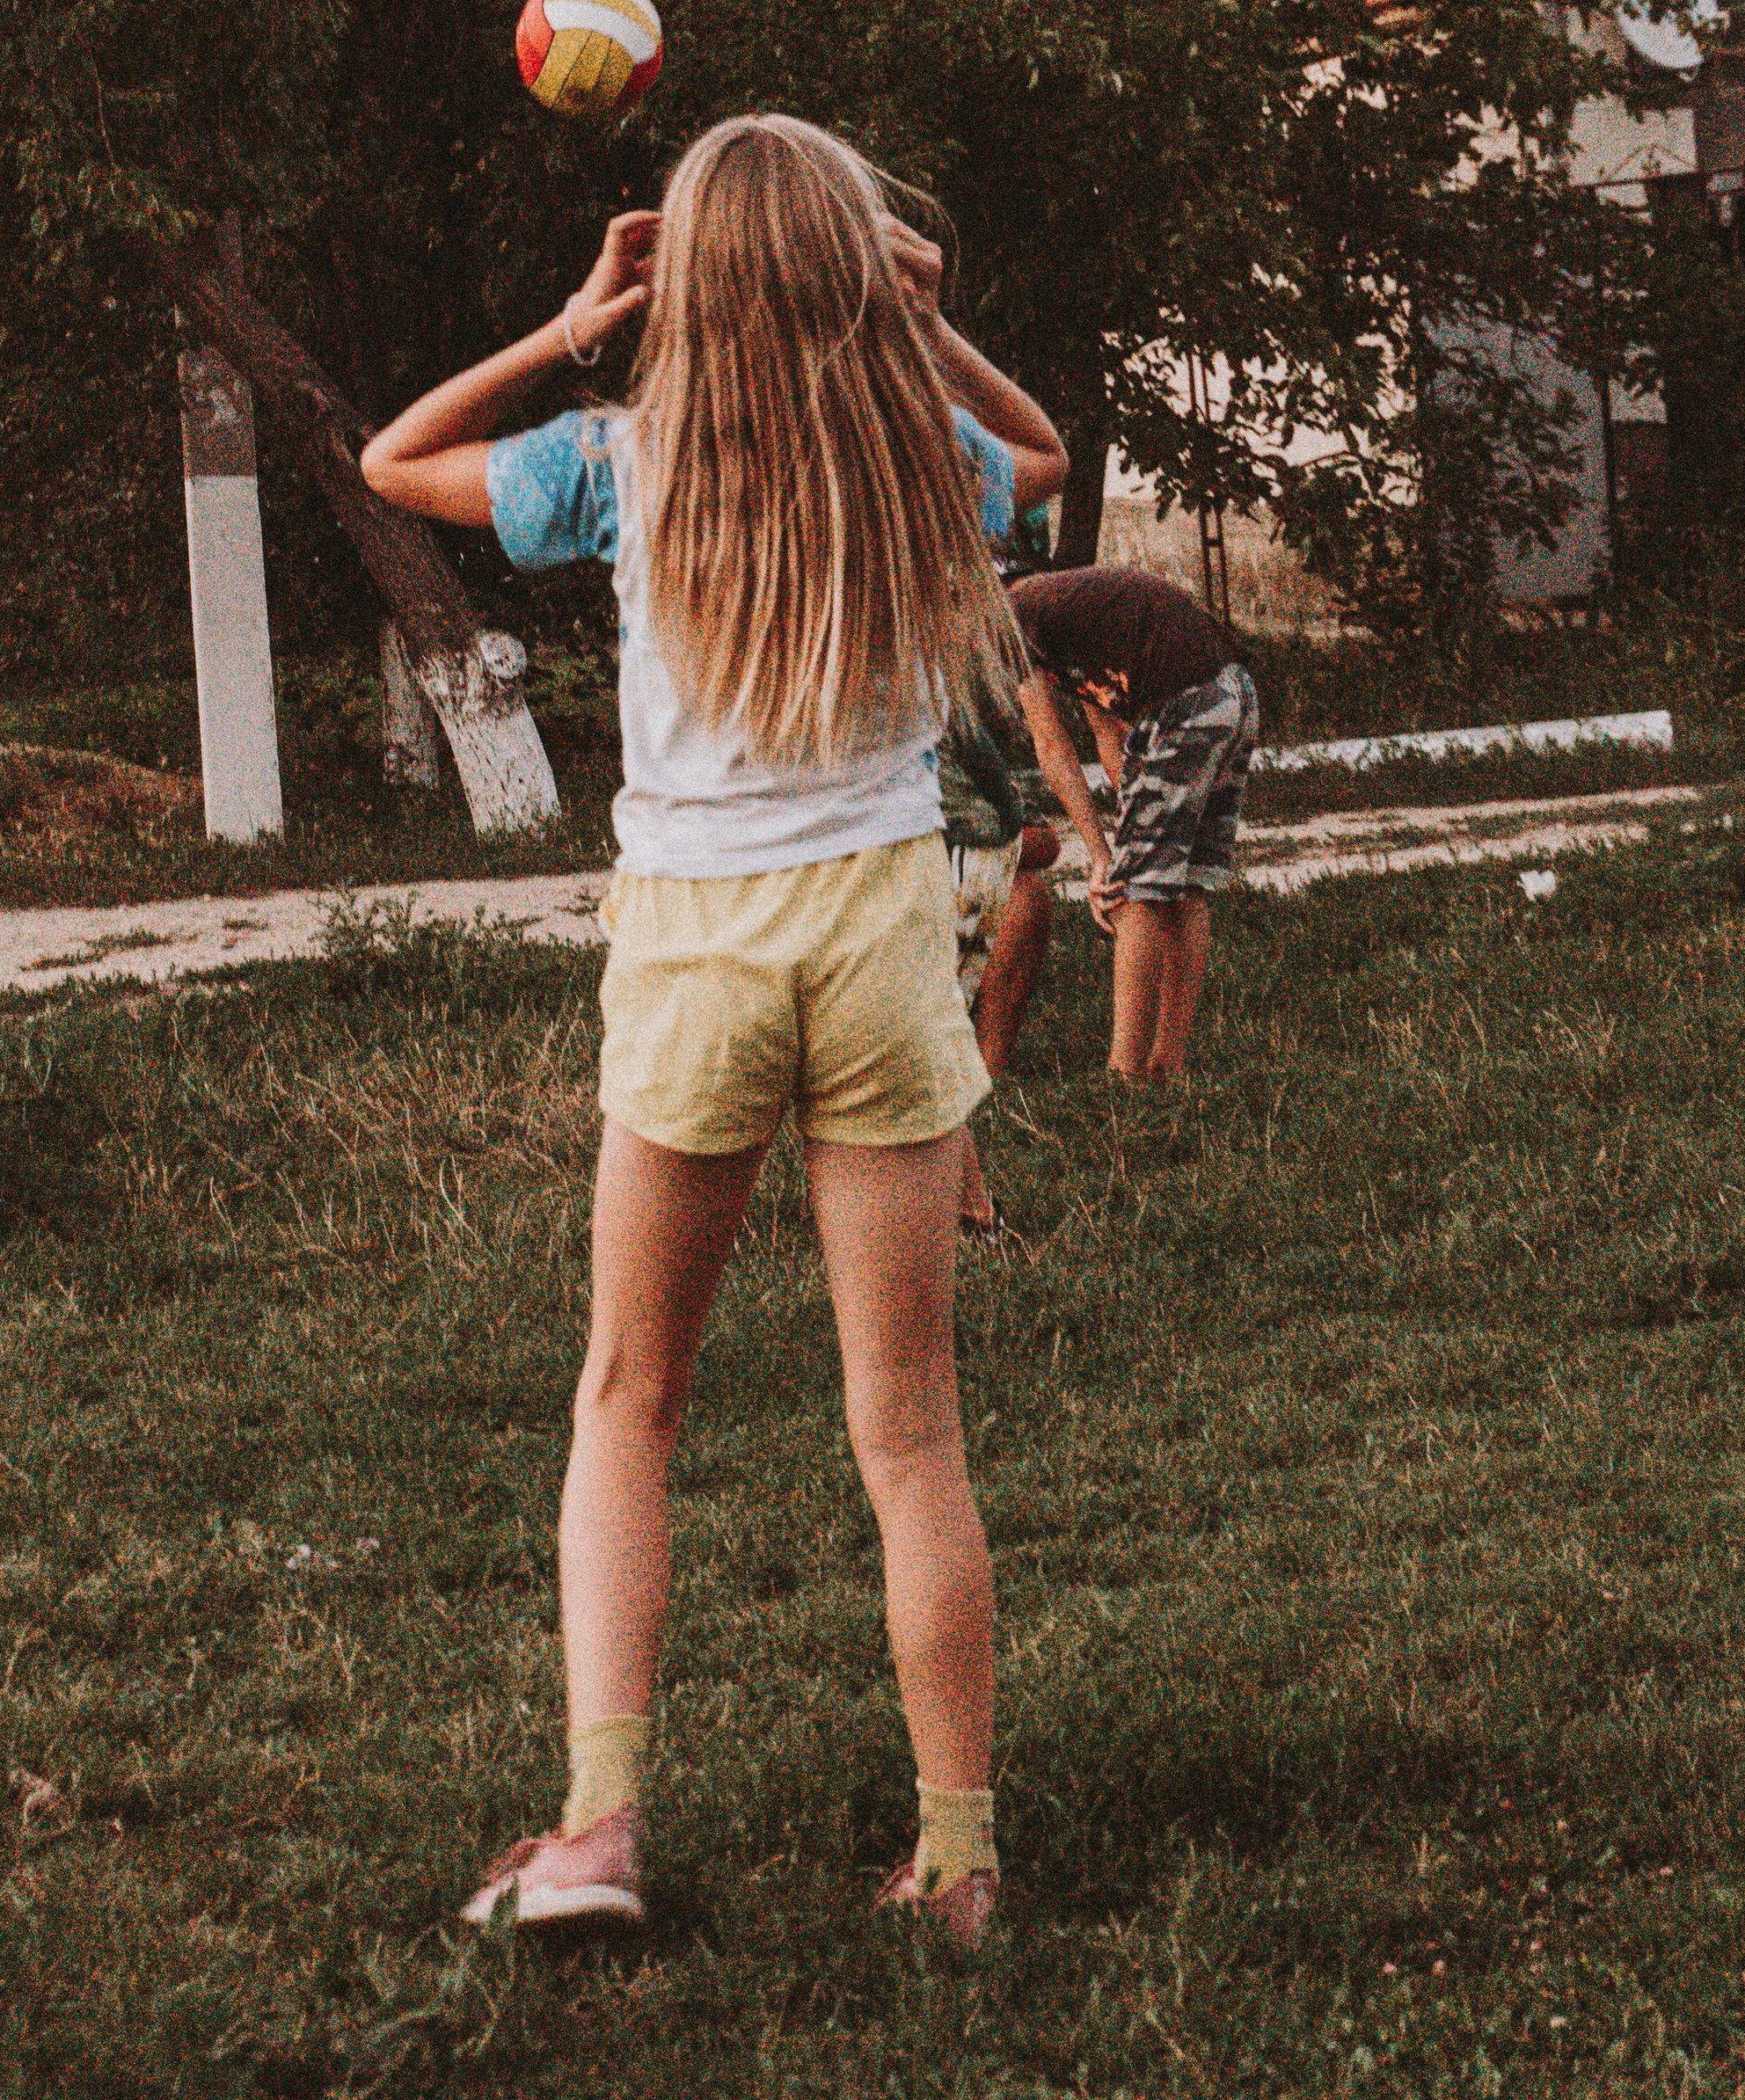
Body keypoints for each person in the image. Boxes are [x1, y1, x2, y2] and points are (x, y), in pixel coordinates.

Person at [360, 118, 1068, 1948]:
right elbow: (1048, 462)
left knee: (629, 1395)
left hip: (694, 957)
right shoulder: (926, 456)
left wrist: (574, 322)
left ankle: (595, 1830)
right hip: (882, 944)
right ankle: (960, 1860)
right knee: (906, 1431)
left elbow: (391, 458)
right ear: (857, 265)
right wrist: (925, 320)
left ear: (684, 278)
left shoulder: (617, 457)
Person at [1009, 565, 1258, 1085]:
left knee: (1135, 893)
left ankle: (1125, 1078)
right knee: (1184, 885)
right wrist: (1119, 841)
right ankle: (1167, 1066)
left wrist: (1110, 861)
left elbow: (1053, 747)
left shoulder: (1007, 623)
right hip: (1234, 694)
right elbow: (1109, 730)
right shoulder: (1056, 617)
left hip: (1186, 701)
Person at [938, 694, 1055, 1243]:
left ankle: (974, 1212)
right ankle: (975, 1213)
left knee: (919, 1046)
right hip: (935, 853)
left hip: (944, 854)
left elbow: (1036, 835)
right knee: (919, 1042)